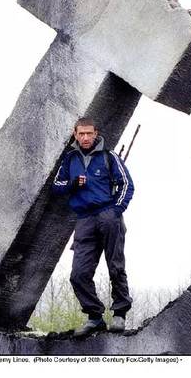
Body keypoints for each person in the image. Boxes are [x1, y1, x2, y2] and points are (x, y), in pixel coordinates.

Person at [52, 117, 134, 337]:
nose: (86, 137)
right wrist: (72, 183)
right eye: (81, 133)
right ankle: (95, 317)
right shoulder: (70, 160)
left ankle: (119, 313)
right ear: (75, 134)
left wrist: (116, 211)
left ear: (96, 133)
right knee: (78, 274)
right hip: (84, 220)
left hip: (108, 215)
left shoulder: (110, 157)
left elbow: (127, 184)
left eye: (89, 133)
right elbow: (56, 186)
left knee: (115, 266)